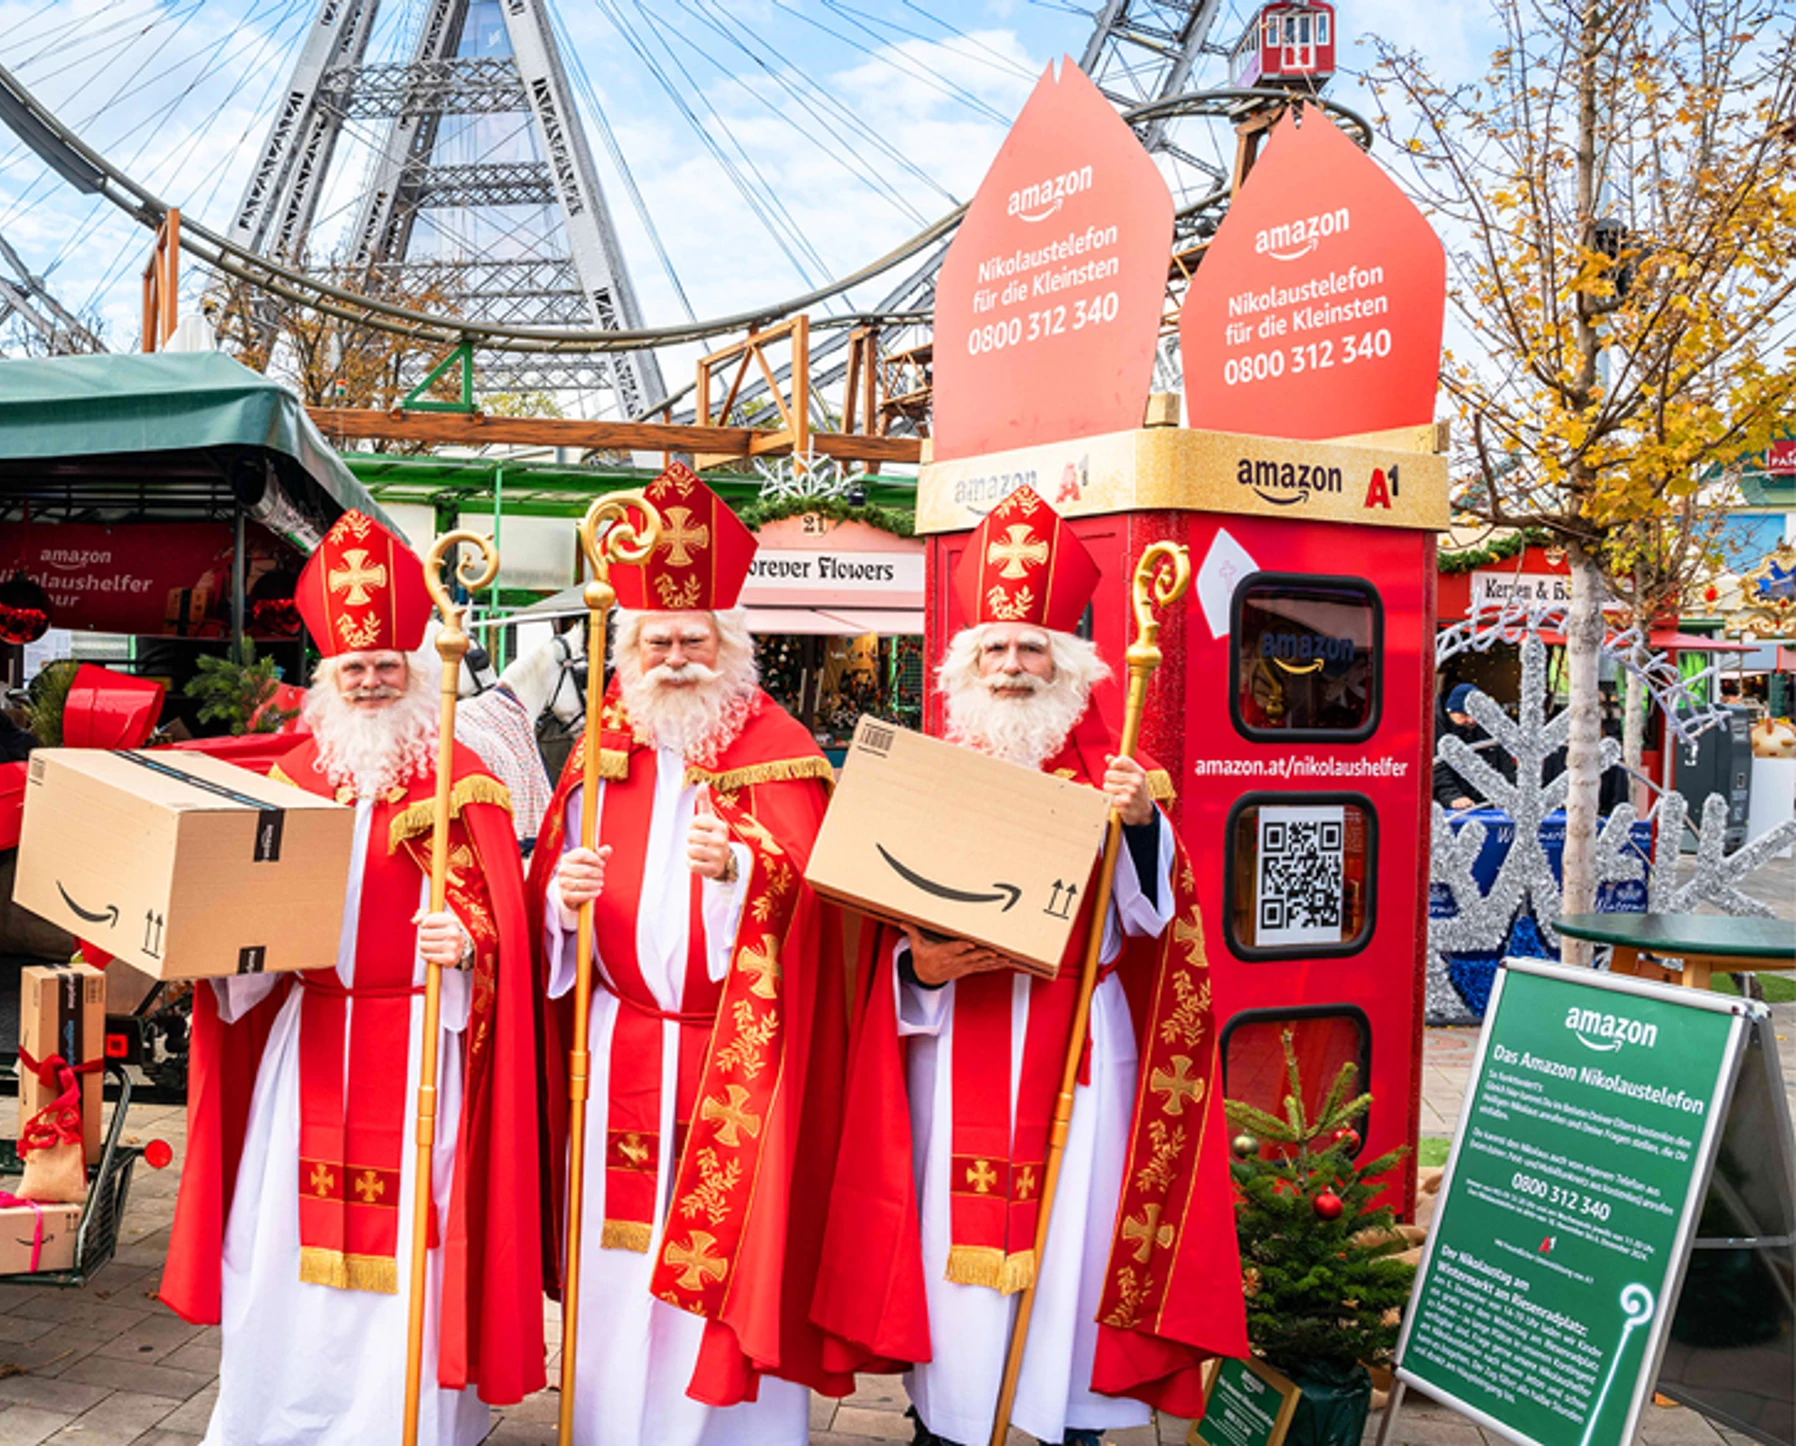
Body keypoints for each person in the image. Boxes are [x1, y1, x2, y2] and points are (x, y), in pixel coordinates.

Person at [816, 486, 1246, 1446]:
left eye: (1032, 647)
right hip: (953, 1038)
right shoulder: (925, 771)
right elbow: (875, 928)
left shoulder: (1122, 775)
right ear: (968, 662)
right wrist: (920, 969)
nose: (1013, 666)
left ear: (1069, 661)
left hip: (1078, 1048)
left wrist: (1140, 826)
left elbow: (1157, 923)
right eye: (996, 648)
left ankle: (1063, 1423)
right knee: (943, 1256)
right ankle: (949, 1422)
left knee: (1069, 1257)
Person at [159, 511, 544, 1446]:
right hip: (308, 1043)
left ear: (417, 668)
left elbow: (508, 938)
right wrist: (217, 959)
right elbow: (240, 942)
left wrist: (470, 954)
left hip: (422, 1044)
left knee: (416, 1248)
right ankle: (273, 1423)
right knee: (280, 1244)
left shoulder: (467, 787)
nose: (371, 682)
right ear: (325, 678)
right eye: (352, 669)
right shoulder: (288, 784)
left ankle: (393, 1423)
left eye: (387, 666)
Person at [534, 463, 863, 1443]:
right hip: (619, 1046)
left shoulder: (782, 747)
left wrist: (745, 875)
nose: (675, 655)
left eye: (693, 638)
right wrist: (561, 901)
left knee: (731, 1264)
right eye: (656, 641)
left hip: (739, 1063)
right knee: (616, 1261)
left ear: (729, 646)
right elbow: (546, 896)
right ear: (629, 650)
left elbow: (829, 915)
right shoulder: (599, 755)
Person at [1432, 682, 1502, 810]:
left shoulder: (1486, 728)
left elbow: (1503, 763)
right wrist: (1453, 797)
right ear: (1450, 711)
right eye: (1464, 715)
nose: (1471, 720)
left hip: (1486, 805)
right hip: (1450, 807)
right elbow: (1437, 769)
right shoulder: (1435, 729)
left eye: (1474, 715)